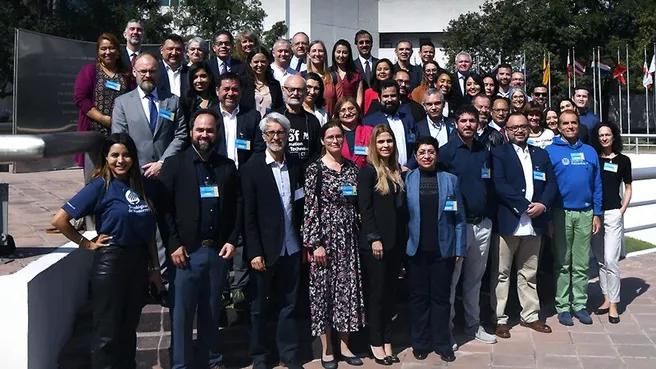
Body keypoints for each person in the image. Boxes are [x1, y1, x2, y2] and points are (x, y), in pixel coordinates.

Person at [51, 133, 161, 369]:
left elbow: (148, 231)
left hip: (138, 262)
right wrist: (86, 243)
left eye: (126, 155)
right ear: (106, 157)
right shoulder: (100, 185)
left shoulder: (138, 184)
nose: (121, 160)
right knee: (107, 334)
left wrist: (154, 267)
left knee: (128, 330)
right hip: (111, 263)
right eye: (115, 155)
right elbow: (60, 220)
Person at [158, 110, 238, 369]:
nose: (205, 135)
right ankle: (180, 364)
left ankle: (211, 360)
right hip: (185, 254)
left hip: (216, 252)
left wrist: (231, 240)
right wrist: (173, 244)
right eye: (200, 130)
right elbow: (163, 209)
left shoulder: (226, 167)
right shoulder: (174, 165)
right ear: (191, 132)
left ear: (217, 133)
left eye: (210, 130)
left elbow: (236, 207)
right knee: (181, 315)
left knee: (212, 311)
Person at [241, 113, 306, 369]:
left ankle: (288, 355)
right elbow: (248, 215)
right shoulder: (251, 169)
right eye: (271, 133)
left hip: (292, 247)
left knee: (289, 305)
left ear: (287, 136)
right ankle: (259, 357)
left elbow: (300, 205)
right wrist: (254, 251)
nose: (276, 137)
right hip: (264, 251)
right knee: (258, 308)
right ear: (264, 136)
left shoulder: (296, 165)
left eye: (280, 133)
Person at [302, 121, 366, 369]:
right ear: (322, 140)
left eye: (339, 136)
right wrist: (315, 243)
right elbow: (309, 208)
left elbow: (358, 204)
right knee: (324, 292)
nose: (335, 140)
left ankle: (345, 345)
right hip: (325, 239)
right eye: (330, 136)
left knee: (347, 292)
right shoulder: (314, 170)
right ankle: (327, 349)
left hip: (348, 237)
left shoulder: (352, 168)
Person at [490, 113, 557, 339]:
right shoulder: (498, 154)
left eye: (523, 127)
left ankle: (530, 316)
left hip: (534, 224)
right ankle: (500, 319)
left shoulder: (541, 154)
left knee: (529, 272)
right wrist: (526, 205)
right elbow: (499, 184)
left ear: (529, 129)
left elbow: (551, 183)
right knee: (502, 274)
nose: (519, 130)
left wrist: (543, 205)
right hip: (510, 221)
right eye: (514, 127)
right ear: (506, 131)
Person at [438, 105, 497, 347]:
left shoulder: (485, 150)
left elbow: (490, 182)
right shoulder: (446, 152)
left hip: (482, 224)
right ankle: (448, 329)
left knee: (475, 279)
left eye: (472, 120)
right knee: (452, 281)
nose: (468, 125)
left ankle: (473, 323)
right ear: (455, 123)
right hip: (457, 227)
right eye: (463, 120)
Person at [405, 136, 466, 363]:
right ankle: (420, 343)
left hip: (444, 249)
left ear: (437, 154)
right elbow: (403, 218)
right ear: (415, 155)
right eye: (422, 152)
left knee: (441, 300)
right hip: (416, 250)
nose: (427, 156)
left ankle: (442, 343)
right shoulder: (407, 179)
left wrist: (459, 247)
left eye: (431, 152)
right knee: (419, 299)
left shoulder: (450, 180)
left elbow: (459, 218)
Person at [545, 110, 602, 326]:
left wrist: (597, 213)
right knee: (562, 261)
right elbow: (547, 186)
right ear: (558, 127)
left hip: (585, 213)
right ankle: (563, 306)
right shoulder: (551, 151)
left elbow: (596, 185)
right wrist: (549, 217)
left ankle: (579, 303)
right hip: (561, 213)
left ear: (579, 126)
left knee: (581, 263)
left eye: (574, 123)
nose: (570, 126)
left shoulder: (589, 152)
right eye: (565, 123)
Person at [358, 124, 407, 365]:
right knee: (376, 296)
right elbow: (365, 209)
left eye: (389, 141)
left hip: (395, 244)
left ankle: (388, 339)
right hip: (375, 245)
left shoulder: (396, 170)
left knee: (390, 295)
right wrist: (373, 237)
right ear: (374, 146)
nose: (386, 145)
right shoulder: (368, 172)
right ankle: (375, 342)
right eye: (381, 142)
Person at [111, 53, 187, 177]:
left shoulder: (173, 101)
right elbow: (120, 136)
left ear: (159, 72)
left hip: (167, 170)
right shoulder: (122, 103)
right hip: (135, 171)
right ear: (134, 72)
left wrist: (163, 162)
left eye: (152, 71)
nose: (148, 75)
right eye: (143, 71)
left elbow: (181, 135)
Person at [591, 122, 632, 324]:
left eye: (608, 134)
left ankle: (614, 303)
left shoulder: (623, 160)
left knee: (611, 260)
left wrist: (622, 209)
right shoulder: (594, 159)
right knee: (600, 260)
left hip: (613, 214)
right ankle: (606, 298)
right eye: (601, 135)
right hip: (595, 214)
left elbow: (628, 187)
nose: (604, 138)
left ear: (614, 136)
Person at [74, 33, 131, 178]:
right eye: (103, 48)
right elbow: (80, 98)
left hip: (119, 133)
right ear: (98, 52)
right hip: (95, 133)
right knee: (94, 176)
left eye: (111, 48)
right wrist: (103, 119)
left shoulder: (126, 74)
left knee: (119, 174)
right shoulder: (89, 71)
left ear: (118, 51)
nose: (107, 52)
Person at [212, 71, 264, 169]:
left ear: (240, 91)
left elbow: (259, 148)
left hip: (245, 173)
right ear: (217, 91)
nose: (231, 93)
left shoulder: (252, 116)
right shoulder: (209, 116)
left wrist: (248, 169)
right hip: (217, 172)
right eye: (226, 89)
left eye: (235, 89)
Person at [363, 79, 417, 171]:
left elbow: (416, 145)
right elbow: (369, 151)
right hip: (382, 173)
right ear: (379, 99)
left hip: (408, 172)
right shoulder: (369, 122)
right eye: (385, 96)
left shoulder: (408, 119)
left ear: (399, 97)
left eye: (393, 96)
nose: (389, 99)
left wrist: (409, 166)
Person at [276, 74, 323, 166]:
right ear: (283, 90)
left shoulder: (312, 120)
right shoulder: (273, 118)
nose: (295, 93)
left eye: (300, 90)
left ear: (305, 92)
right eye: (291, 89)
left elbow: (317, 151)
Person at [240, 46, 284, 116]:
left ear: (268, 63)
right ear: (250, 63)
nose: (260, 65)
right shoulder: (242, 84)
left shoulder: (275, 84)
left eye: (263, 61)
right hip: (249, 125)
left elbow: (279, 108)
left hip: (270, 124)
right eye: (256, 62)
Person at [334, 96, 373, 168]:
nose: (348, 113)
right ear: (338, 115)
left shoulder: (370, 131)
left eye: (351, 109)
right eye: (343, 110)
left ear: (358, 111)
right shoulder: (334, 134)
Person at [329, 39, 364, 107]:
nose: (341, 55)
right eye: (338, 52)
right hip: (332, 113)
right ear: (334, 53)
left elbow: (359, 99)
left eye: (344, 52)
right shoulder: (328, 72)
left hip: (350, 112)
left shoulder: (356, 74)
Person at [306, 40, 337, 117]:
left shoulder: (334, 77)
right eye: (314, 51)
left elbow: (339, 104)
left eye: (320, 51)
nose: (317, 54)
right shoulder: (301, 76)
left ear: (325, 54)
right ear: (308, 55)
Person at [158, 34, 189, 98]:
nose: (174, 53)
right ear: (161, 50)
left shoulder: (190, 72)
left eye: (178, 49)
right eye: (170, 49)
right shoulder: (154, 71)